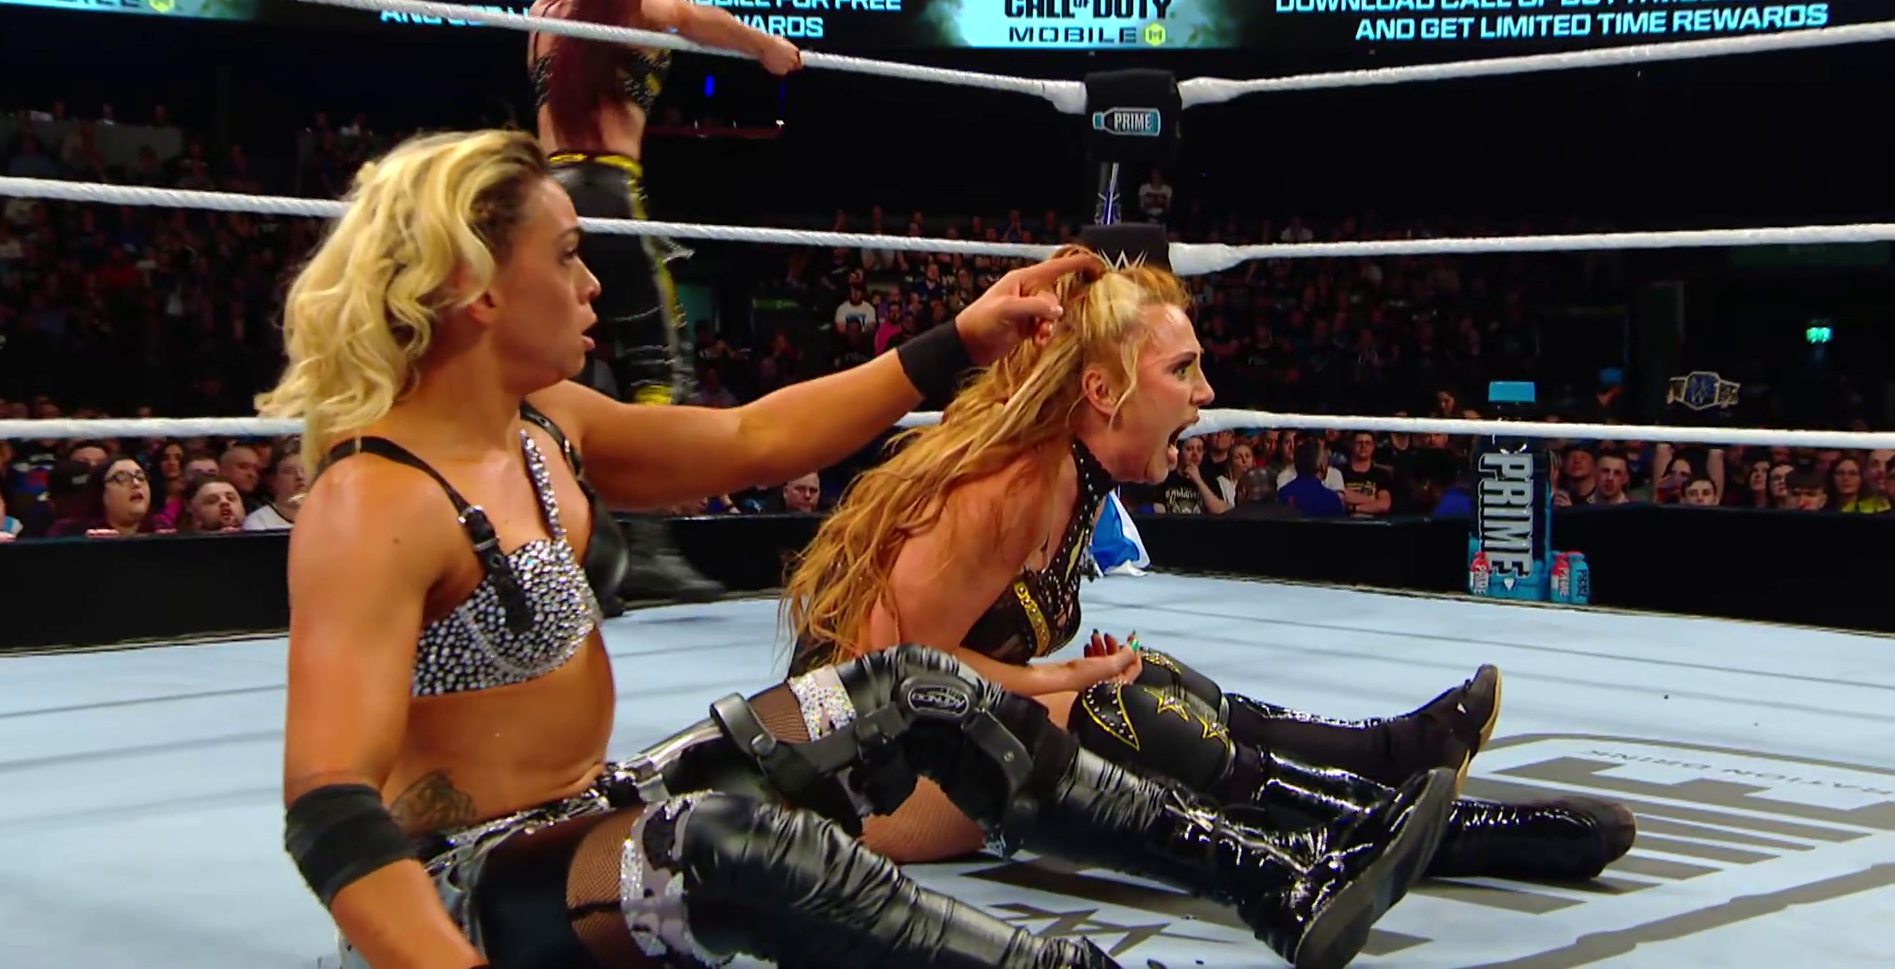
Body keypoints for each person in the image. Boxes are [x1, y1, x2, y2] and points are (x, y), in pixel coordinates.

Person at [261, 132, 1455, 969]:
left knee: (911, 688)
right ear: (475, 287)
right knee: (730, 845)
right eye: (568, 254)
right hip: (467, 888)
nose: (595, 282)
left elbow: (753, 438)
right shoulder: (377, 502)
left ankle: (1274, 881)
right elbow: (327, 803)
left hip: (594, 806)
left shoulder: (545, 427)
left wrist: (958, 340)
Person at [783, 248, 1635, 880]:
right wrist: (1059, 681)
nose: (1205, 392)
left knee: (1150, 679)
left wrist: (1068, 677)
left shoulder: (1073, 482)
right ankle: (1419, 834)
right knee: (1107, 709)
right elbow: (892, 674)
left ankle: (1393, 755)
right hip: (855, 786)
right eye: (1182, 369)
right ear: (1104, 392)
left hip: (930, 747)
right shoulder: (1009, 489)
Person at [526, 0, 803, 605]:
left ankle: (576, 549)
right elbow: (678, 13)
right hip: (609, 190)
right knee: (660, 363)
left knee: (565, 369)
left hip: (547, 199)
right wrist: (765, 47)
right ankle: (646, 550)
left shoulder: (549, 9)